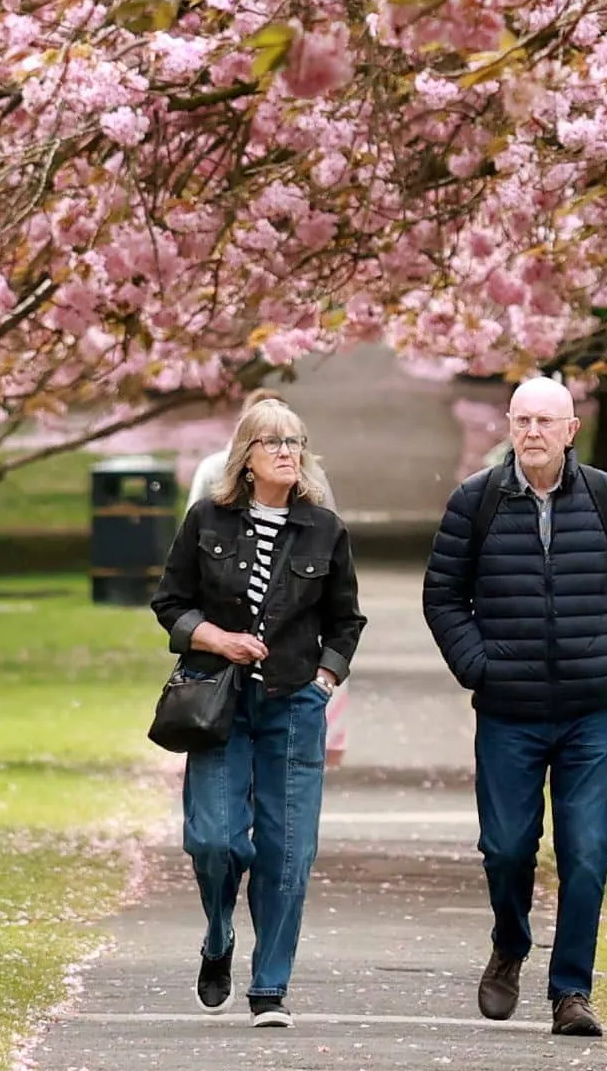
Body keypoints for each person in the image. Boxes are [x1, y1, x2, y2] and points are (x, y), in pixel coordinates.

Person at [428, 371, 607, 1042]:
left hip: (590, 710)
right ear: (508, 425)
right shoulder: (476, 503)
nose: (532, 432)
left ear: (569, 430)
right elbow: (443, 597)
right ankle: (509, 943)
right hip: (509, 711)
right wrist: (479, 667)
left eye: (544, 421)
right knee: (505, 848)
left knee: (587, 853)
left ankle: (571, 992)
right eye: (521, 420)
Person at [158, 395, 363, 1028]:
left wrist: (326, 677)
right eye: (273, 442)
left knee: (287, 851)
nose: (286, 452)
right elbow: (171, 603)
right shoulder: (207, 521)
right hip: (217, 702)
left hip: (295, 703)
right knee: (214, 840)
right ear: (246, 458)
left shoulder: (324, 528)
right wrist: (217, 640)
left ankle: (270, 988)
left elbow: (345, 618)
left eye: (295, 442)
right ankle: (218, 937)